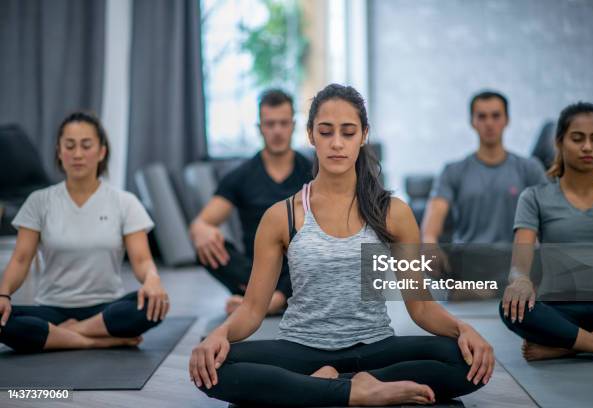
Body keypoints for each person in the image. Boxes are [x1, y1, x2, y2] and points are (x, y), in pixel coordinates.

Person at [189, 84, 494, 407]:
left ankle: (323, 387)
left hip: (375, 347)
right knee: (214, 367)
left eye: (348, 133)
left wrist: (463, 329)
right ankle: (357, 391)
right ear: (310, 135)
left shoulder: (394, 213)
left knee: (464, 359)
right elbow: (252, 309)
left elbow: (420, 307)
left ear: (363, 135)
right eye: (326, 132)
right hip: (302, 348)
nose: (337, 143)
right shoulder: (281, 217)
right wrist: (219, 335)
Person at [0, 112, 168, 353]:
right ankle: (94, 340)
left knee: (155, 304)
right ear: (59, 151)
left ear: (101, 152)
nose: (77, 154)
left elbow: (142, 260)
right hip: (52, 308)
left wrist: (153, 280)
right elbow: (20, 259)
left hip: (107, 309)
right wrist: (3, 294)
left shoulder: (124, 202)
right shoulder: (39, 201)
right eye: (70, 146)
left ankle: (61, 337)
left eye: (86, 145)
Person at [500, 102, 593, 361]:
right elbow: (520, 261)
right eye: (577, 138)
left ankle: (567, 346)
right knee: (511, 308)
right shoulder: (535, 197)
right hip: (560, 309)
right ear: (560, 142)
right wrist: (521, 280)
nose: (587, 147)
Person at [189, 89, 311, 315]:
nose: (277, 131)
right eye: (270, 124)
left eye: (283, 123)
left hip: (300, 266)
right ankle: (269, 298)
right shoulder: (241, 176)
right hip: (256, 269)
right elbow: (201, 223)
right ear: (259, 128)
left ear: (293, 126)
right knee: (206, 249)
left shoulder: (312, 173)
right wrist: (201, 231)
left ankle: (265, 298)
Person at [422, 90, 547, 245]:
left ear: (507, 120)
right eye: (482, 116)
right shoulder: (453, 171)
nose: (489, 123)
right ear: (472, 122)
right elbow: (431, 226)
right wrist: (429, 244)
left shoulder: (529, 169)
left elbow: (549, 219)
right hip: (466, 261)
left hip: (516, 262)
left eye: (496, 116)